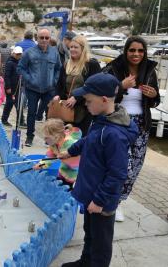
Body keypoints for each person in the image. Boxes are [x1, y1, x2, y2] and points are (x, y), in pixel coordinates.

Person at [59, 73, 138, 267]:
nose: (85, 104)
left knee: (101, 242)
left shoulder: (114, 135)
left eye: (88, 101)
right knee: (90, 233)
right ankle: (86, 261)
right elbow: (89, 140)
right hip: (91, 193)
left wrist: (100, 200)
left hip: (101, 201)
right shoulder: (101, 119)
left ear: (103, 100)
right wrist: (71, 150)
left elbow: (117, 173)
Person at [103, 36, 160, 222]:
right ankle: (110, 201)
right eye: (132, 50)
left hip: (141, 126)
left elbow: (155, 101)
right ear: (126, 51)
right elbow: (100, 92)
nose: (136, 54)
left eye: (140, 51)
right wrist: (121, 86)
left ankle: (117, 202)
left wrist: (153, 95)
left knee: (134, 168)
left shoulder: (150, 72)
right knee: (120, 167)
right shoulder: (114, 68)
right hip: (118, 124)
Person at [18, 28, 62, 147]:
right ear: (36, 38)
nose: (44, 40)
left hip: (49, 89)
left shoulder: (54, 52)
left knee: (49, 114)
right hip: (32, 88)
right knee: (31, 112)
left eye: (46, 38)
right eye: (41, 37)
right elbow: (21, 68)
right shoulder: (29, 52)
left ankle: (48, 138)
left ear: (49, 39)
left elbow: (58, 68)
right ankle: (29, 136)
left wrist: (55, 80)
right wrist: (29, 78)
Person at [54, 35, 101, 135]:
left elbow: (94, 86)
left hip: (84, 109)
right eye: (71, 47)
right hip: (66, 108)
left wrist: (76, 97)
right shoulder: (67, 64)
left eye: (76, 47)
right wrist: (57, 95)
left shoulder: (91, 64)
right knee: (65, 138)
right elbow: (59, 84)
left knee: (79, 138)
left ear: (83, 49)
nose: (72, 49)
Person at [34, 119, 81, 190]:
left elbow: (77, 164)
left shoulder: (70, 143)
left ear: (56, 135)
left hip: (75, 178)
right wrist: (40, 165)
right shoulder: (53, 144)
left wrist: (64, 158)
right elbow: (49, 159)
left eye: (46, 138)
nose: (45, 140)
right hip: (62, 174)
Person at [1, 46, 26, 127]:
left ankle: (20, 121)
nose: (19, 55)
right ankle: (4, 120)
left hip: (18, 86)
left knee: (19, 104)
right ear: (14, 53)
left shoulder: (19, 62)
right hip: (11, 88)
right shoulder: (10, 62)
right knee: (9, 104)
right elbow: (7, 76)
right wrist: (8, 87)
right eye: (17, 54)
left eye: (20, 54)